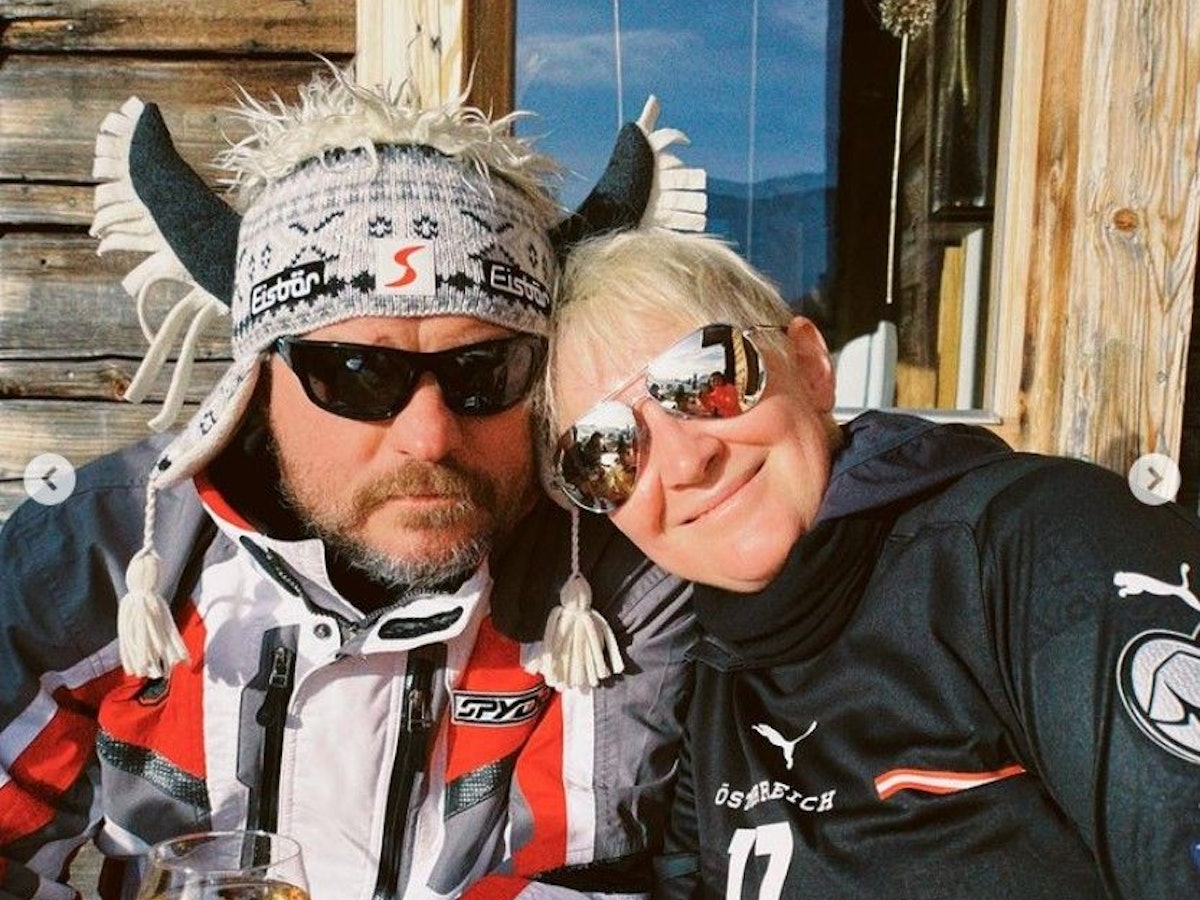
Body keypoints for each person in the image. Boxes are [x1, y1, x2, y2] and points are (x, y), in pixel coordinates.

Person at [0, 70, 699, 900]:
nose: (429, 434)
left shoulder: (611, 581)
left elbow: (577, 874)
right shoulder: (106, 549)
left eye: (484, 369)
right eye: (357, 372)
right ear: (260, 383)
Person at [544, 228, 1200, 898]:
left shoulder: (1036, 547)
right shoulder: (717, 667)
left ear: (809, 366)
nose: (687, 462)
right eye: (606, 449)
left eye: (706, 378)